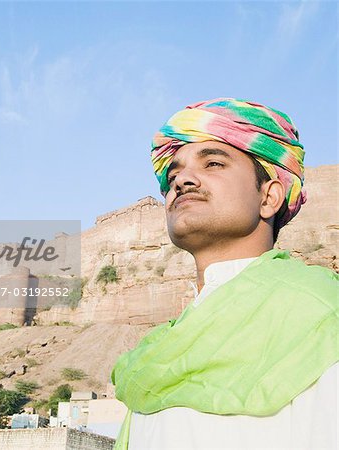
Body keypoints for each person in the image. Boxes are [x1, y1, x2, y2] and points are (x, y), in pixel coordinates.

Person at [111, 98, 338, 450]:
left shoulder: (320, 316)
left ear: (270, 196)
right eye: (173, 175)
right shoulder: (154, 356)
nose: (182, 180)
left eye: (213, 162)